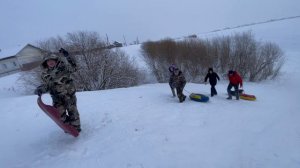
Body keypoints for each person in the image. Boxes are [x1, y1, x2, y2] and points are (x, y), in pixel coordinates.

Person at [34, 50, 81, 132]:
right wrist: (40, 89)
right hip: (56, 97)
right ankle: (68, 127)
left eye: (52, 60)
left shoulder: (64, 68)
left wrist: (68, 56)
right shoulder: (45, 74)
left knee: (73, 112)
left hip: (69, 95)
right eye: (48, 61)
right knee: (59, 115)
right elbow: (47, 86)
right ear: (46, 63)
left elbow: (74, 67)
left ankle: (76, 128)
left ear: (56, 61)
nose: (51, 62)